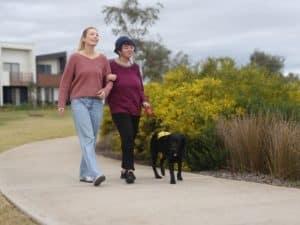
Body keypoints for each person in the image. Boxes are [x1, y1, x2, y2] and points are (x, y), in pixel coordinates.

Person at [58, 27, 116, 186]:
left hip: (97, 103)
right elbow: (65, 82)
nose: (95, 36)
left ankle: (84, 173)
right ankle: (95, 172)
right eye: (92, 34)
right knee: (87, 138)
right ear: (84, 38)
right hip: (79, 101)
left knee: (92, 138)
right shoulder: (75, 58)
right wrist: (62, 103)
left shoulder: (103, 58)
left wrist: (105, 91)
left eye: (97, 34)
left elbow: (109, 80)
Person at [106, 36, 150, 184]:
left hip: (135, 108)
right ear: (119, 50)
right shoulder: (111, 64)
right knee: (127, 136)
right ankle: (130, 170)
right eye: (126, 47)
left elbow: (140, 88)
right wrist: (107, 79)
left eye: (131, 47)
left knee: (130, 139)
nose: (130, 49)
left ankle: (124, 169)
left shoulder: (136, 67)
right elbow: (103, 79)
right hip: (119, 107)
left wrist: (144, 101)